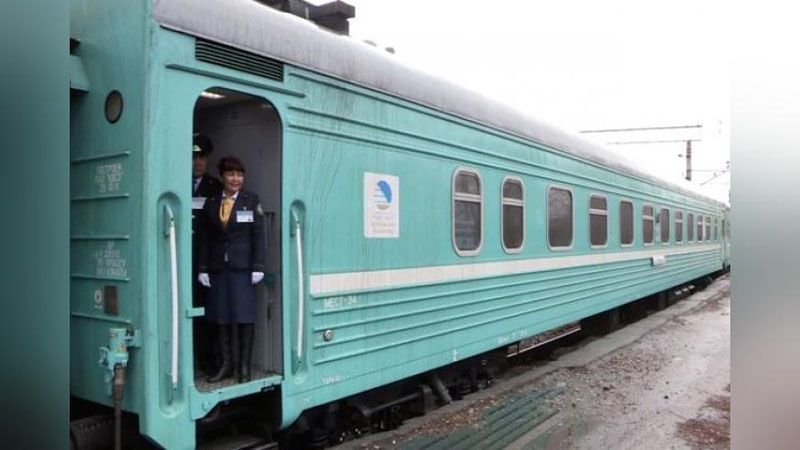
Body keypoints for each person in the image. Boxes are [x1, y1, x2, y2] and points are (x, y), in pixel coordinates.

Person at [197, 156, 266, 383]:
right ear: (222, 176)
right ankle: (226, 365)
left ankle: (244, 367)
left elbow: (258, 236)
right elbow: (205, 238)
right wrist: (203, 268)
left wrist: (258, 266)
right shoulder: (212, 201)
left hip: (242, 269)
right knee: (221, 316)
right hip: (218, 268)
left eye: (239, 175)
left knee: (244, 316)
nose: (235, 179)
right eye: (230, 174)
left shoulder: (250, 200)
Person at [191, 134, 222, 373]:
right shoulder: (178, 181)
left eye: (202, 157)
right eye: (194, 157)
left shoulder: (215, 187)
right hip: (184, 254)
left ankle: (208, 361)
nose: (198, 162)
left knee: (206, 309)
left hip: (206, 258)